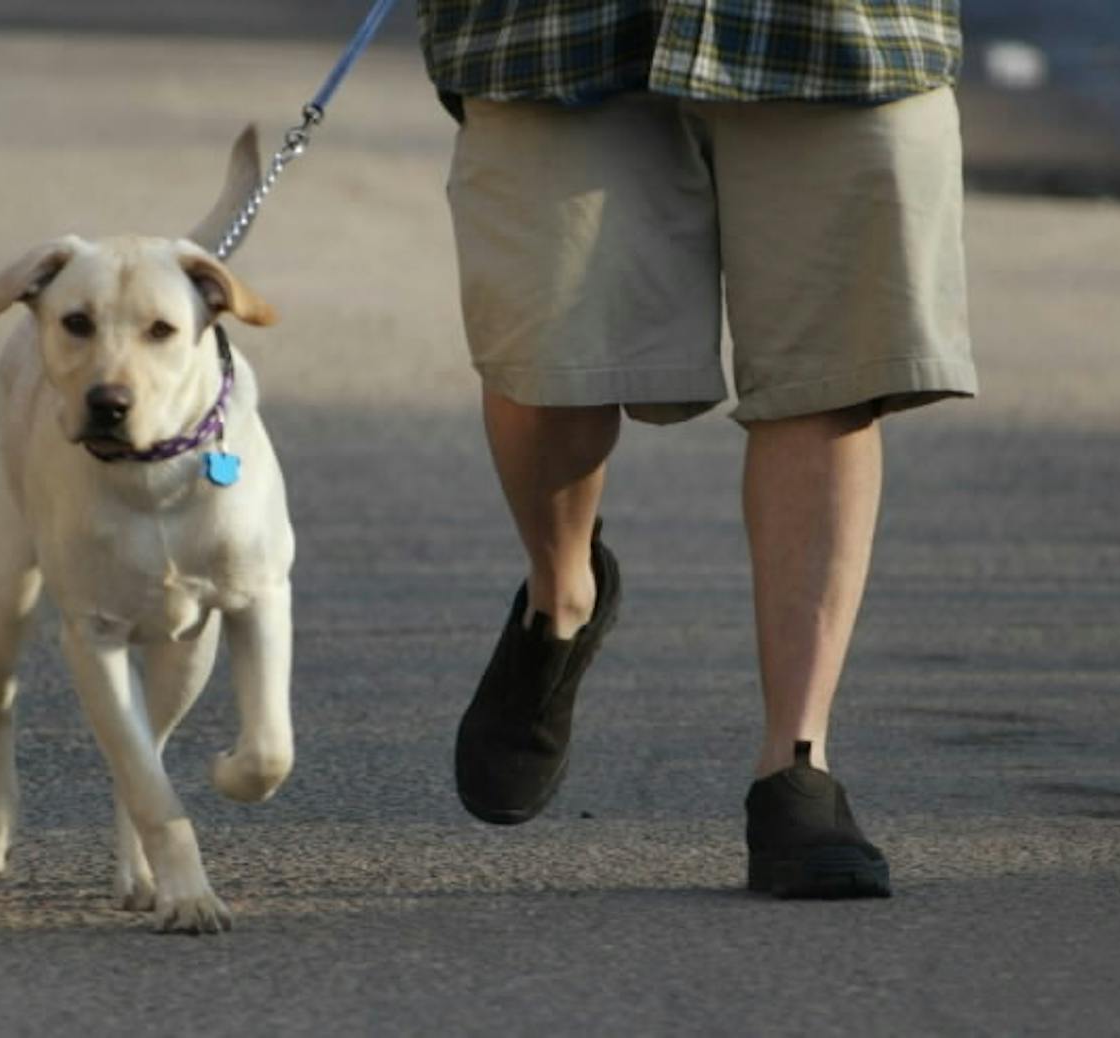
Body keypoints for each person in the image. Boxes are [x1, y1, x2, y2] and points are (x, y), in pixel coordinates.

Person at [418, 0, 977, 899]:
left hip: (840, 29)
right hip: (551, 27)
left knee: (826, 373)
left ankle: (797, 767)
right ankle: (561, 595)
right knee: (552, 354)